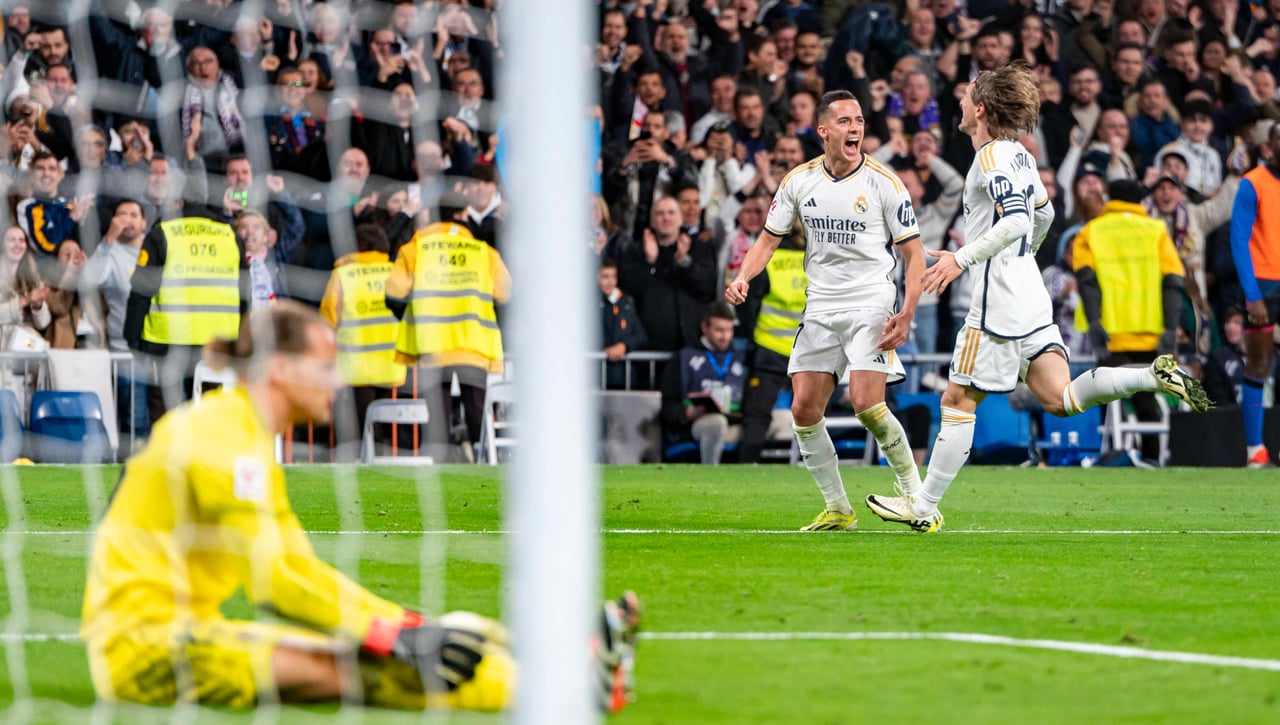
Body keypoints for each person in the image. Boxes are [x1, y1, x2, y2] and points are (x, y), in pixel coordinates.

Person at [81, 301, 643, 711]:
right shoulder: (223, 443)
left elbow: (297, 567)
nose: (338, 381)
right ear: (281, 369)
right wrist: (389, 635)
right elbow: (278, 583)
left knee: (440, 634)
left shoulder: (236, 430)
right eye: (326, 367)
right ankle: (568, 695)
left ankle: (573, 657)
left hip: (186, 631)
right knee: (377, 671)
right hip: (146, 651)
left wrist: (402, 624)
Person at [866, 62, 1212, 533]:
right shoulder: (1022, 156)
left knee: (957, 400)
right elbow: (1042, 215)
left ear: (981, 109)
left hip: (996, 303)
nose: (960, 101)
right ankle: (1150, 375)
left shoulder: (991, 156)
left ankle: (923, 506)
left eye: (967, 95)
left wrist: (963, 259)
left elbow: (1016, 220)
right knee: (1061, 397)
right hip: (1029, 295)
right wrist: (1013, 256)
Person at [726, 90, 926, 532]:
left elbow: (914, 254)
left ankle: (919, 499)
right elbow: (768, 240)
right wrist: (743, 277)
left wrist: (908, 311)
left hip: (870, 301)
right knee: (803, 410)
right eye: (844, 121)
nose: (855, 129)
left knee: (867, 403)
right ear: (823, 130)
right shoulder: (799, 181)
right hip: (821, 304)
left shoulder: (885, 182)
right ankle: (838, 508)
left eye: (859, 121)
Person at [385, 191, 510, 462]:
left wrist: (414, 317)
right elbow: (506, 294)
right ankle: (483, 466)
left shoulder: (415, 249)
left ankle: (441, 469)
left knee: (438, 419)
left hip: (432, 346)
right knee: (477, 414)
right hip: (474, 345)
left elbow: (393, 295)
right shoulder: (484, 252)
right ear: (462, 214)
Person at [1073, 179, 1187, 463]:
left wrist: (1094, 322)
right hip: (1151, 333)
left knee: (1106, 397)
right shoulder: (1156, 231)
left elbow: (1087, 281)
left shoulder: (1090, 232)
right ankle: (1151, 460)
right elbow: (1173, 282)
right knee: (1146, 399)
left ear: (1110, 197)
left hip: (1111, 334)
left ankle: (1109, 457)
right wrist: (1170, 328)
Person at [319, 223, 407, 459]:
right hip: (392, 362)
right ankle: (385, 459)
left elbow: (328, 318)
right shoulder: (394, 272)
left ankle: (366, 462)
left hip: (355, 364)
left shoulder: (343, 275)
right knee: (387, 422)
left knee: (362, 426)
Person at [1229, 123, 1280, 468]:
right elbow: (1239, 240)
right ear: (1269, 147)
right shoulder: (1253, 183)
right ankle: (1255, 451)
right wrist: (1252, 295)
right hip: (1263, 284)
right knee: (1259, 363)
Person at [660, 302, 748, 464]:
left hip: (736, 423)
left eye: (729, 330)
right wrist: (686, 413)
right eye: (719, 330)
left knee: (782, 421)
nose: (725, 336)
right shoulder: (685, 358)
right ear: (705, 328)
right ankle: (710, 474)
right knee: (717, 423)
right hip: (695, 425)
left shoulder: (743, 359)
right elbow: (666, 405)